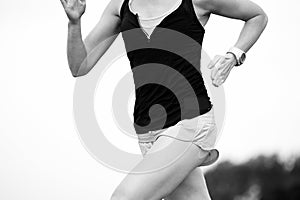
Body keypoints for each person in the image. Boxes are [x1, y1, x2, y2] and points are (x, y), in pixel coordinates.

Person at [60, 0, 268, 199]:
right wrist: (74, 22)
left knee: (124, 197)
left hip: (191, 121)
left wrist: (234, 55)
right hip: (148, 135)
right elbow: (80, 65)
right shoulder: (120, 6)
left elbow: (257, 16)